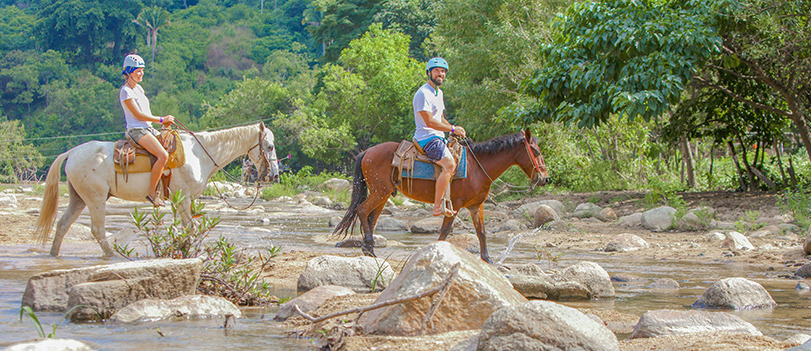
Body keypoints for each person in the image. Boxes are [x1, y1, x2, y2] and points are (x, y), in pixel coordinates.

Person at [412, 57, 466, 217]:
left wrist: (453, 130)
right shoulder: (423, 93)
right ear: (429, 73)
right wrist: (453, 128)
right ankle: (437, 206)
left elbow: (440, 119)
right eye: (436, 71)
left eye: (443, 71)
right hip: (427, 138)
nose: (440, 74)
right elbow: (429, 121)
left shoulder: (438, 93)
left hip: (438, 136)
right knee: (449, 165)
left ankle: (448, 200)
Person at [119, 54, 175, 207]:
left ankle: (167, 190)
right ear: (129, 72)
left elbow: (146, 113)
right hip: (137, 131)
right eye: (138, 71)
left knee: (172, 146)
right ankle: (152, 193)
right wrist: (162, 119)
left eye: (142, 70)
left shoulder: (139, 89)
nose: (141, 73)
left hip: (148, 128)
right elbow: (138, 115)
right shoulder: (126, 91)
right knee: (162, 156)